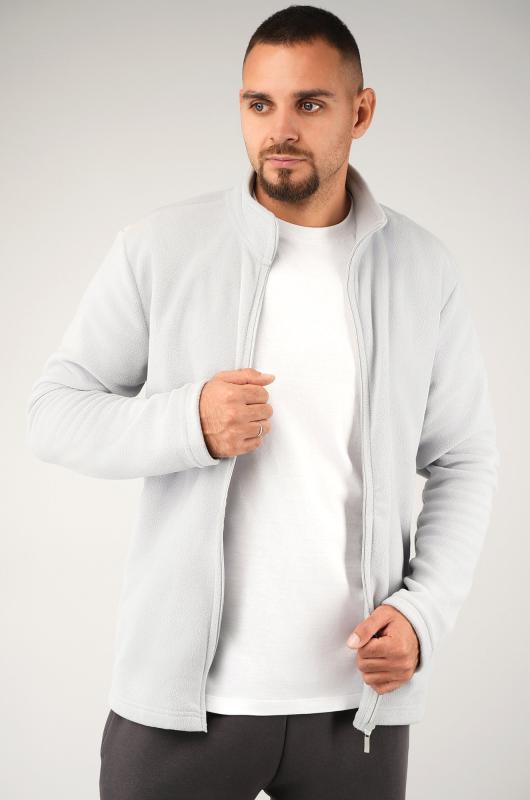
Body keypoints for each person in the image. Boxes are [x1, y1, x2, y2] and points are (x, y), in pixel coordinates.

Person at [26, 6, 499, 800]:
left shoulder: (422, 268)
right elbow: (52, 412)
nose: (280, 130)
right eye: (259, 103)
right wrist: (188, 422)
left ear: (361, 112)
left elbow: (464, 458)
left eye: (309, 103)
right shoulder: (160, 248)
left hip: (356, 708)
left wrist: (424, 614)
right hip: (182, 707)